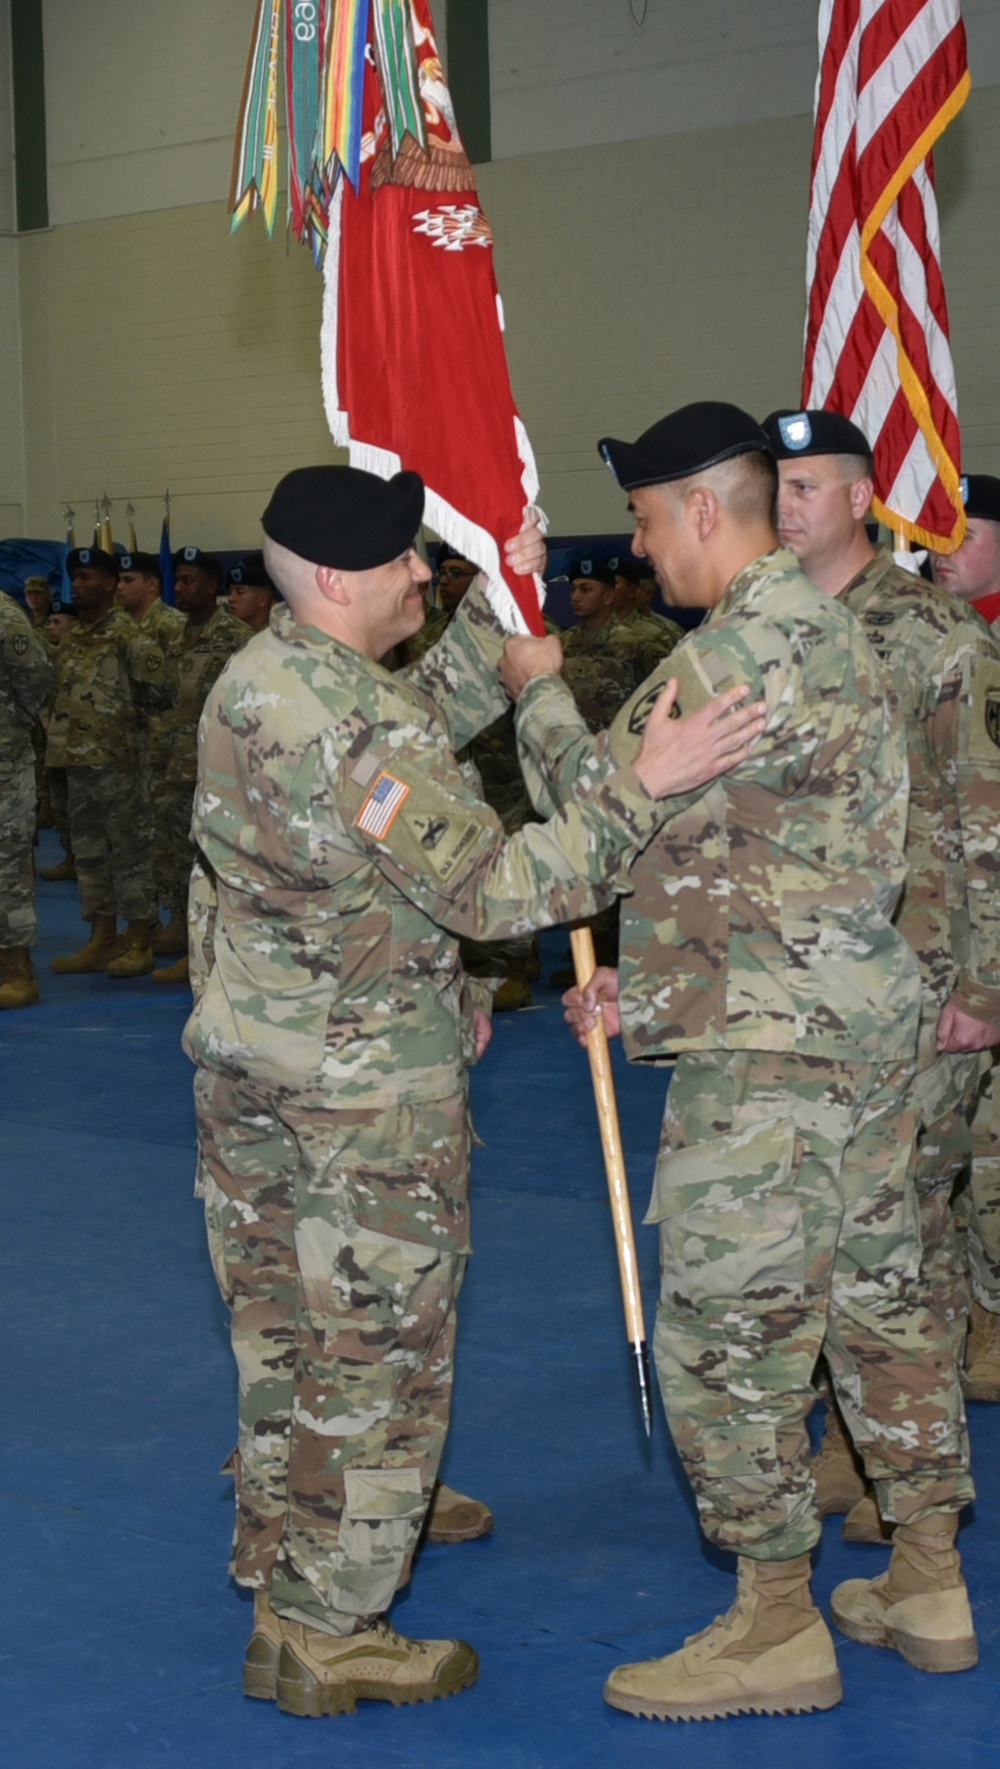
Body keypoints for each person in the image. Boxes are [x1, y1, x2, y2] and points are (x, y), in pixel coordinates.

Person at [185, 463, 765, 1721]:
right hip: (360, 1100)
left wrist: (498, 606)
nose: (419, 574)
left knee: (284, 1333)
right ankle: (336, 1625)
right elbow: (498, 886)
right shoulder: (354, 724)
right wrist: (642, 786)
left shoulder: (267, 678)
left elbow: (392, 758)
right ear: (342, 576)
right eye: (408, 562)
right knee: (377, 1352)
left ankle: (283, 1563)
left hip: (260, 1071)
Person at [514, 402, 978, 1720]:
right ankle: (929, 1579)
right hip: (866, 1038)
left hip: (769, 1073)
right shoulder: (836, 639)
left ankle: (777, 1619)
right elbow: (776, 871)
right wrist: (650, 984)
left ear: (705, 510)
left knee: (733, 1337)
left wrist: (530, 687)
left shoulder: (722, 663)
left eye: (650, 520)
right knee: (885, 1314)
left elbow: (593, 819)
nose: (645, 549)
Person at [764, 409, 1000, 1530]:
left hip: (922, 982)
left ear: (864, 497)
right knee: (823, 1225)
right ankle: (853, 1452)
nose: (786, 504)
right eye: (779, 485)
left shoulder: (935, 633)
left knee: (901, 1225)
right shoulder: (772, 626)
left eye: (808, 485)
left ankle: (908, 1473)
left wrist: (982, 987)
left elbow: (986, 815)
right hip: (809, 988)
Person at [928, 472, 1000, 1399]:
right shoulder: (938, 641)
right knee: (966, 1149)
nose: (942, 545)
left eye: (964, 528)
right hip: (958, 925)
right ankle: (982, 1318)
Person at [46, 547, 168, 978]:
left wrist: (129, 731)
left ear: (110, 583)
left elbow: (160, 694)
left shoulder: (129, 637)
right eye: (75, 578)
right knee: (90, 855)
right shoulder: (75, 637)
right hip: (77, 765)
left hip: (121, 764)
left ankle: (139, 940)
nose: (78, 586)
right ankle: (102, 938)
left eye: (87, 578)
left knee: (130, 854)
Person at [154, 547, 250, 986]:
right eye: (177, 580)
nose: (179, 588)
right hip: (172, 761)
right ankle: (180, 928)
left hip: (218, 767)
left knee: (211, 858)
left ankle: (213, 944)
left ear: (214, 587)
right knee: (174, 852)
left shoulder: (236, 636)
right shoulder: (171, 635)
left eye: (189, 580)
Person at [116, 552, 186, 953]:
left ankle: (179, 920)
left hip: (168, 750)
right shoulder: (121, 628)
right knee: (141, 842)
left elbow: (175, 690)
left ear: (152, 585)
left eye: (128, 580)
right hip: (131, 752)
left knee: (171, 840)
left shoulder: (172, 627)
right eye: (119, 581)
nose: (120, 588)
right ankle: (152, 920)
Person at [0, 591, 54, 1008]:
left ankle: (18, 971)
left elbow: (36, 677)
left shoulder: (4, 614)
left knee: (7, 867)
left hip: (3, 762)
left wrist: (12, 726)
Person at [227, 552, 279, 633]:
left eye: (240, 592)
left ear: (263, 600)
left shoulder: (281, 635)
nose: (231, 598)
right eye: (230, 592)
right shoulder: (222, 632)